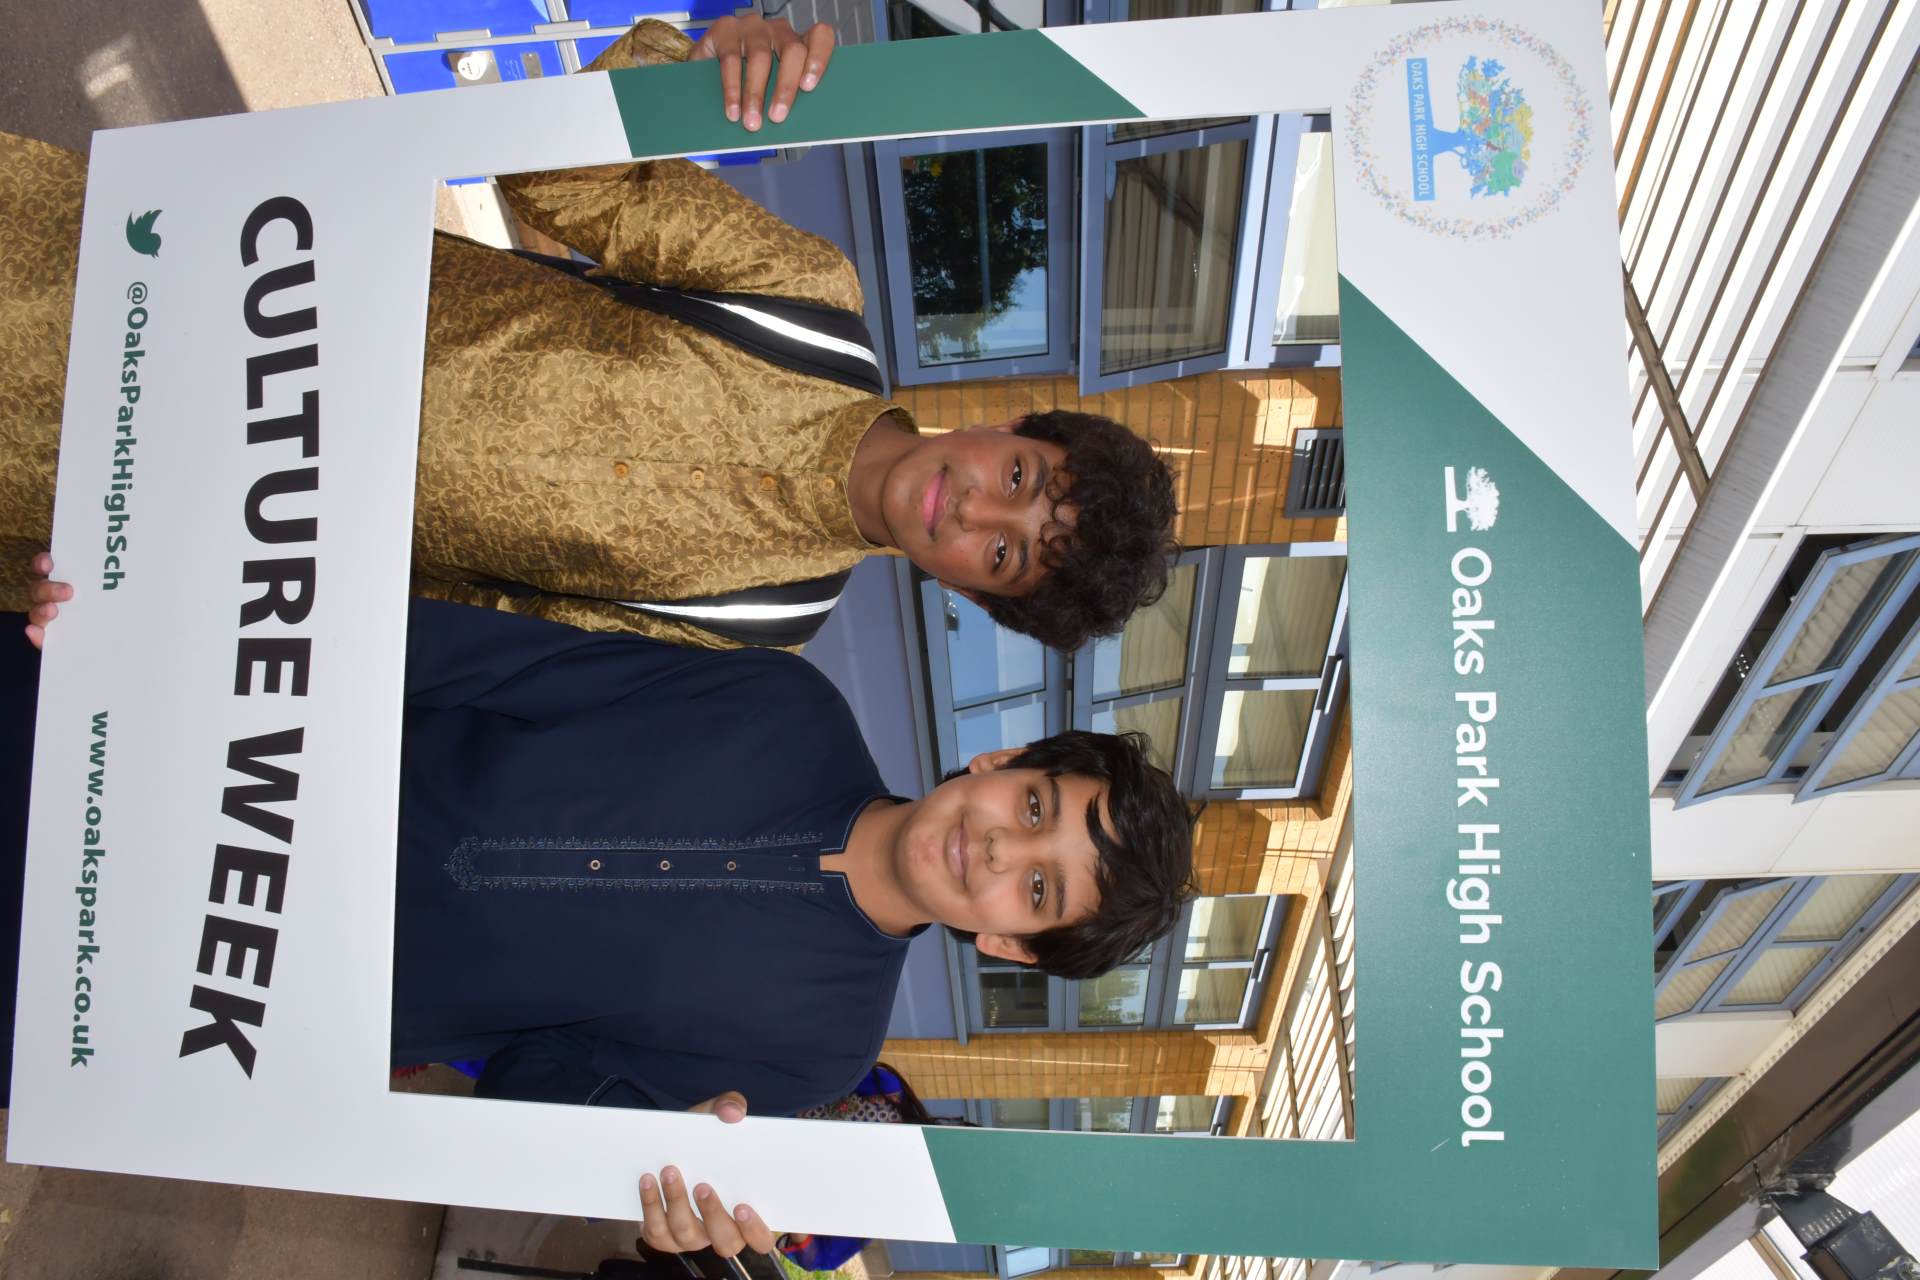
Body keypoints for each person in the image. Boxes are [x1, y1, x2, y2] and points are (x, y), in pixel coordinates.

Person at [1, 16, 1179, 654]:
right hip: (227, 304)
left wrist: (168, 609)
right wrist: (695, 73)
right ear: (1009, 425)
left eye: (1007, 555)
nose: (973, 511)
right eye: (1019, 479)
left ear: (971, 592)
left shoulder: (765, 621)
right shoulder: (809, 305)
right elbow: (555, 181)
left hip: (187, 506)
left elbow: (471, 624)